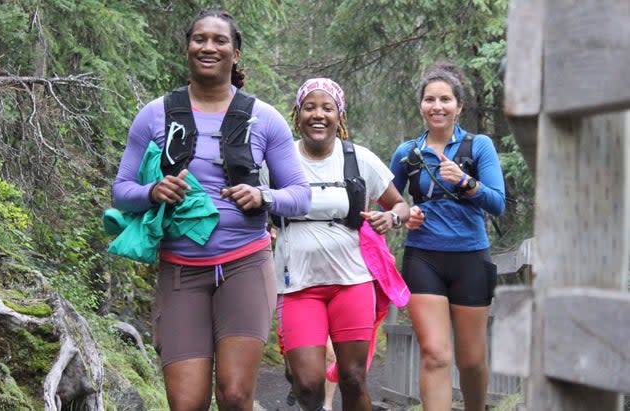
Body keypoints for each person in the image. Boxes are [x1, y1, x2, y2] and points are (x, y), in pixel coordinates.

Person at [111, 9, 311, 410]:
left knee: (236, 396)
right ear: (187, 48)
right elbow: (122, 191)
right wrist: (153, 191)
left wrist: (264, 197)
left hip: (246, 265)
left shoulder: (264, 118)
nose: (208, 47)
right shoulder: (155, 115)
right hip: (181, 271)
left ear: (235, 54)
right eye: (199, 39)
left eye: (220, 40)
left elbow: (300, 195)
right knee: (187, 402)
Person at [272, 77, 410, 411]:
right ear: (297, 114)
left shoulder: (359, 158)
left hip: (352, 281)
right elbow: (253, 202)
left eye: (327, 108)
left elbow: (400, 205)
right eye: (309, 107)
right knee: (306, 383)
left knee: (352, 377)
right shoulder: (278, 159)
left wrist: (390, 219)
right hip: (298, 285)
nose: (318, 115)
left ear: (340, 115)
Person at [389, 61, 505, 411]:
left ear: (459, 106)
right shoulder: (406, 154)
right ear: (421, 105)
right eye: (429, 100)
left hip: (470, 257)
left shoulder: (478, 147)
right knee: (436, 354)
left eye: (444, 100)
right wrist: (404, 216)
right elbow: (389, 203)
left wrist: (466, 183)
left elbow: (498, 203)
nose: (436, 106)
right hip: (424, 257)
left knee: (470, 361)